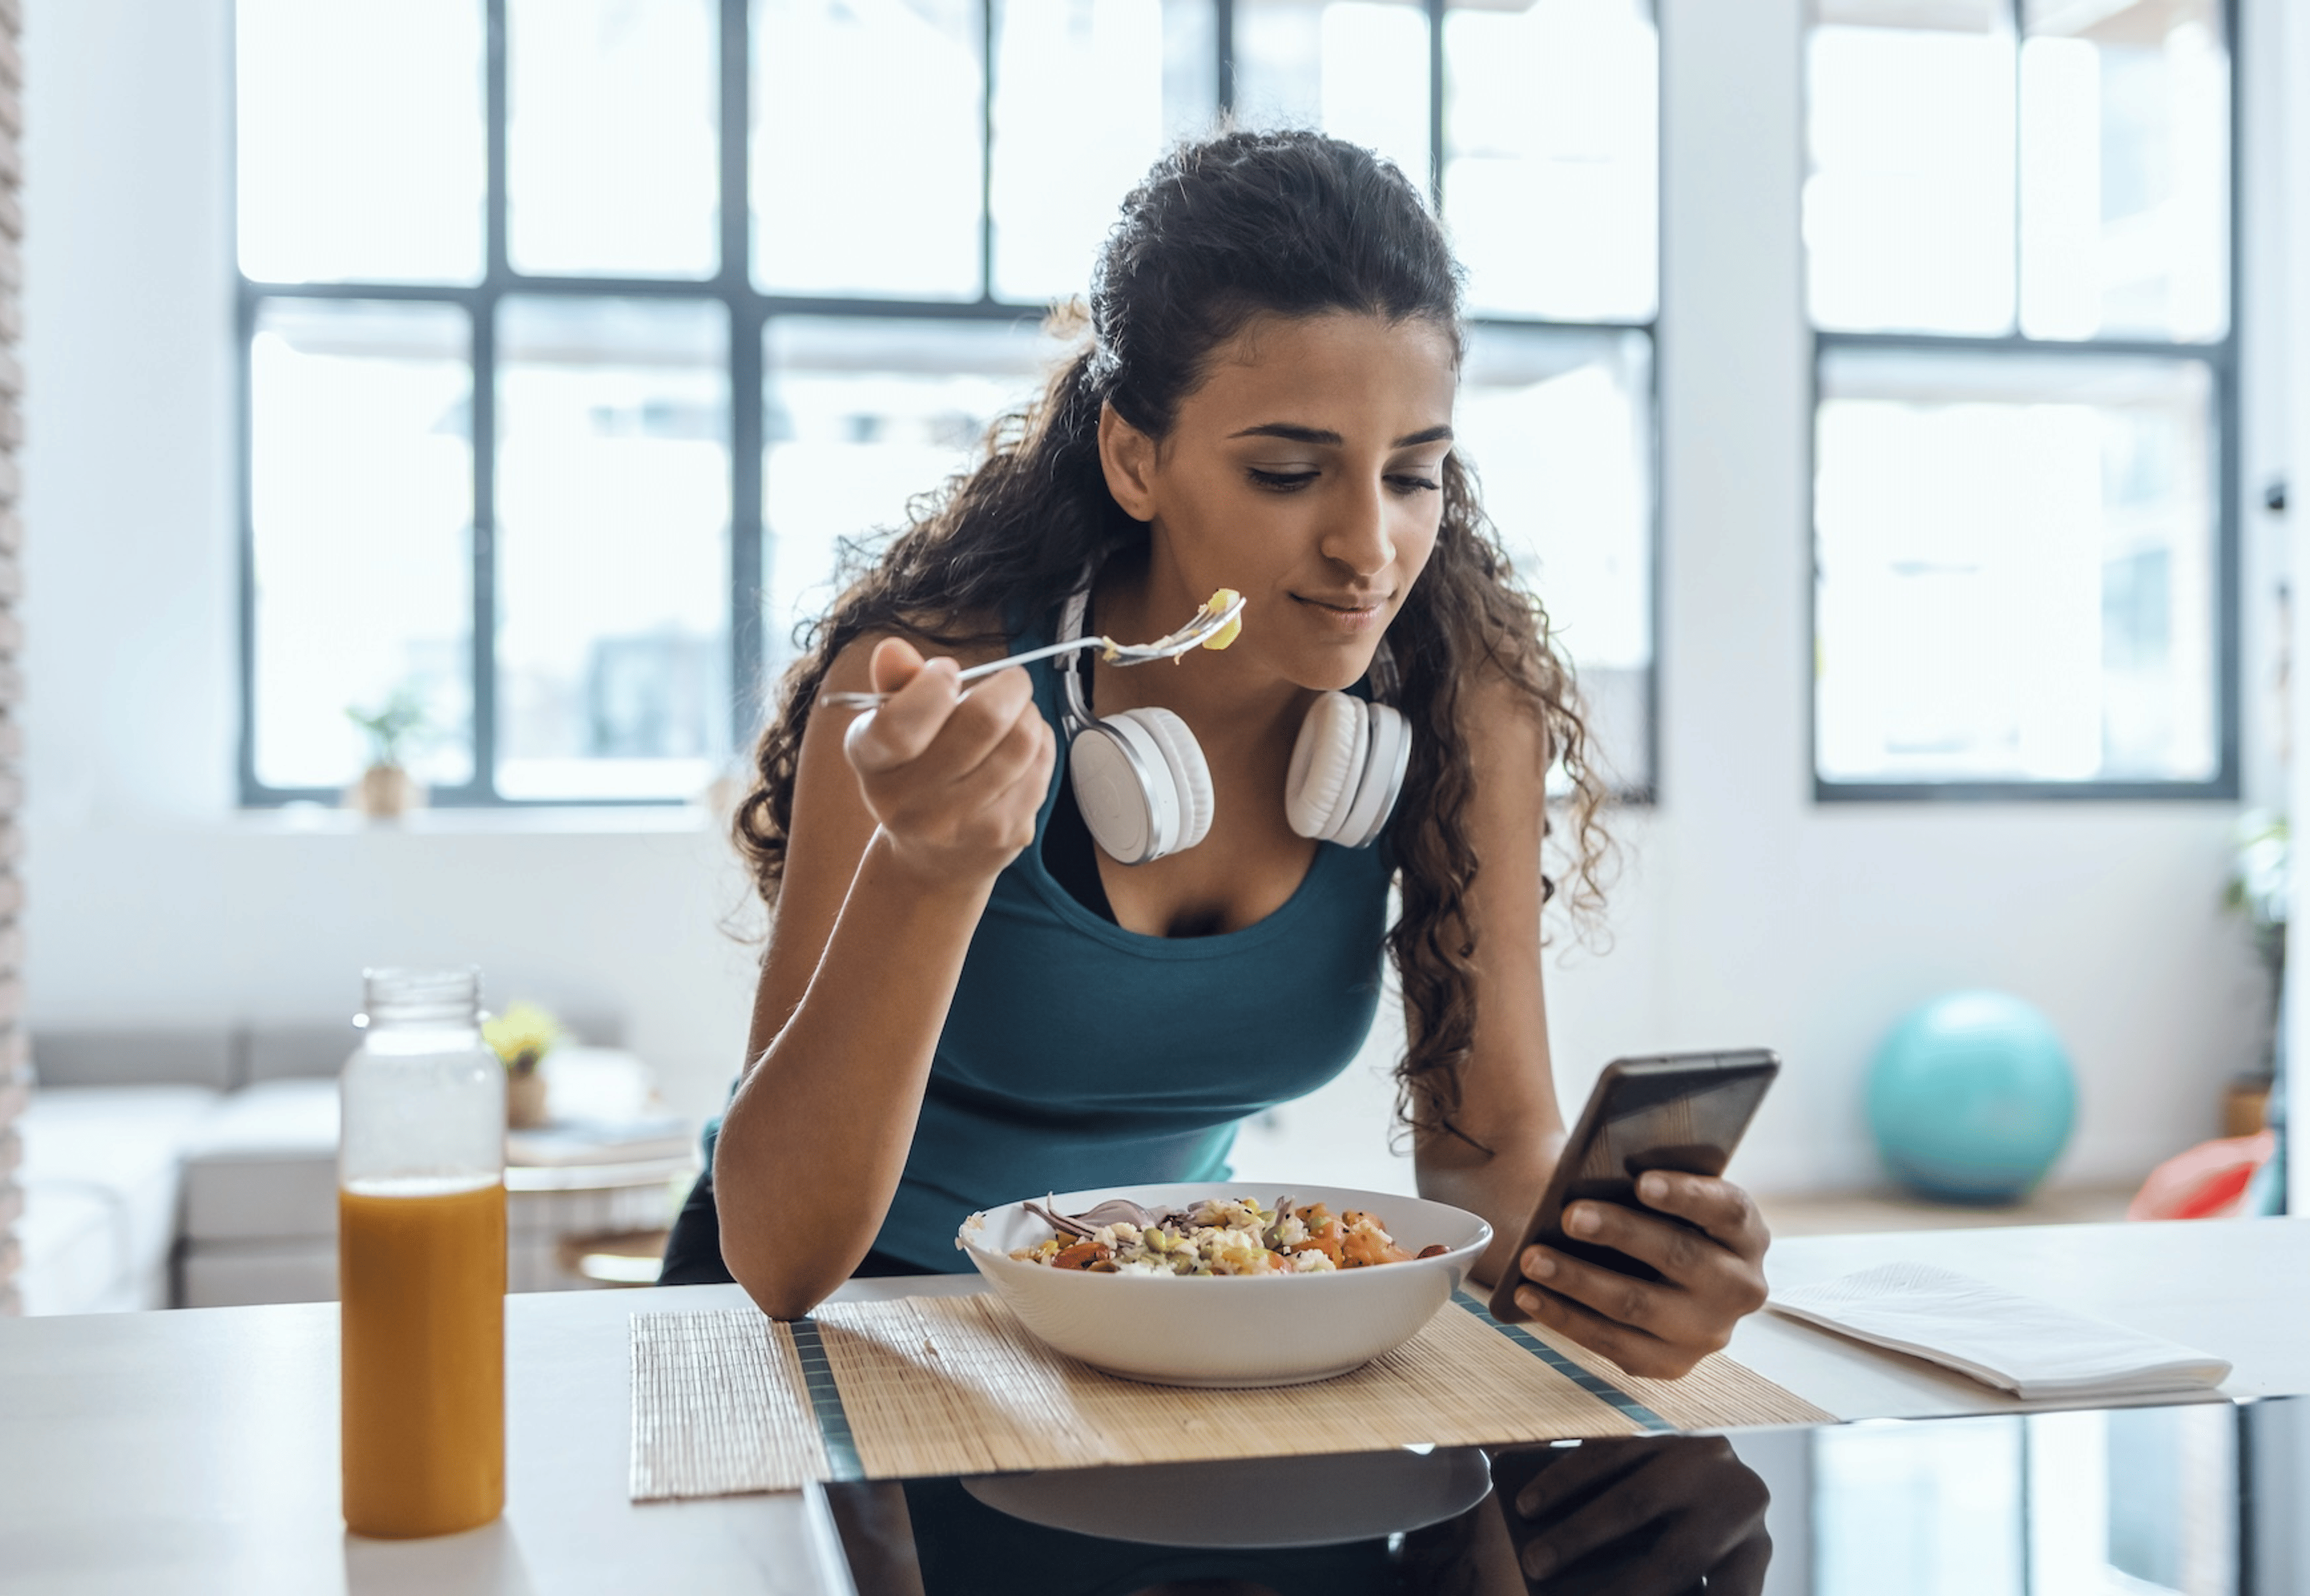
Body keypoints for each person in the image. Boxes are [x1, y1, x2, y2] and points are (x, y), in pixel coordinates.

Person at [662, 127, 1769, 1380]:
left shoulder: (1466, 706)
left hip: (1162, 1327)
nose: (1370, 548)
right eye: (1290, 471)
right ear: (1137, 456)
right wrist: (928, 867)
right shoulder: (931, 691)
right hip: (860, 1325)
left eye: (1414, 476)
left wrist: (1617, 1270)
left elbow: (1491, 1147)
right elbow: (779, 1257)